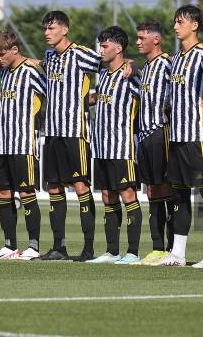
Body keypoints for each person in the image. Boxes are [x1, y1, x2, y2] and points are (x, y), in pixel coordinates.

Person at [157, 5, 203, 268]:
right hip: (177, 137)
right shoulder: (177, 58)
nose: (175, 27)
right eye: (174, 22)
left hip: (198, 136)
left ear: (194, 25)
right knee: (179, 194)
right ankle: (178, 253)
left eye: (180, 22)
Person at [40, 11, 100, 261]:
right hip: (52, 134)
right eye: (45, 28)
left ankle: (88, 248)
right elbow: (39, 65)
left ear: (65, 30)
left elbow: (108, 63)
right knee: (53, 187)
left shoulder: (82, 53)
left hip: (75, 133)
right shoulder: (49, 57)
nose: (47, 33)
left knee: (80, 186)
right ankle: (59, 247)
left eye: (52, 28)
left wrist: (129, 64)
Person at [0, 30, 46, 260]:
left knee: (27, 192)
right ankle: (10, 245)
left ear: (14, 50)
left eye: (2, 54)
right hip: (3, 144)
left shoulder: (29, 71)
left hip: (24, 143)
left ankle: (33, 246)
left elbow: (50, 90)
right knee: (3, 193)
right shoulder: (3, 73)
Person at [87, 26, 143, 264]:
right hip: (101, 148)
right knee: (107, 196)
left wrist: (135, 65)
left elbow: (147, 96)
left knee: (127, 194)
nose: (101, 50)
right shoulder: (105, 75)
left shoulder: (130, 74)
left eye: (105, 45)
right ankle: (112, 251)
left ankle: (132, 252)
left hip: (122, 146)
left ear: (118, 48)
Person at [134, 20, 175, 265]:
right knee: (151, 190)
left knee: (166, 188)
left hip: (162, 133)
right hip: (145, 136)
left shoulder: (167, 64)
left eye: (142, 38)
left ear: (155, 40)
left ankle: (172, 248)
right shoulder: (146, 67)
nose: (138, 42)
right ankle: (157, 247)